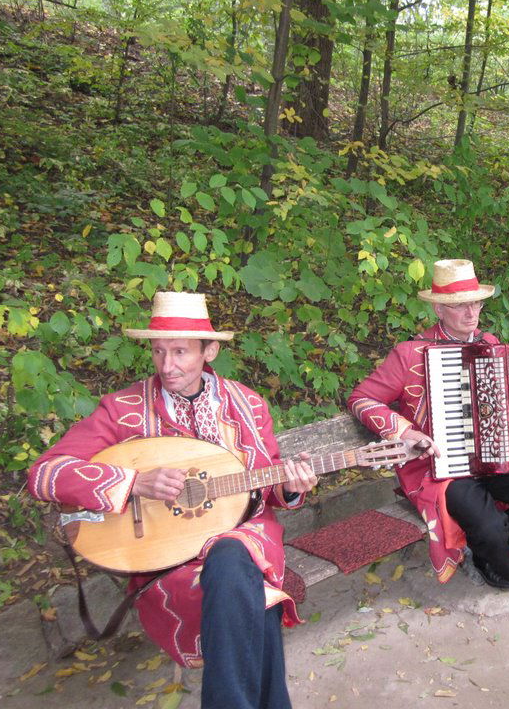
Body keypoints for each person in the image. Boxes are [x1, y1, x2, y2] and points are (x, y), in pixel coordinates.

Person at [27, 291, 318, 709]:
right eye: (159, 351)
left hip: (246, 537)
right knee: (255, 596)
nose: (167, 366)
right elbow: (45, 474)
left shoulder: (248, 405)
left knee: (233, 558)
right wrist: (132, 482)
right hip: (167, 556)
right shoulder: (124, 410)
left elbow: (266, 482)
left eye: (180, 351)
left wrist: (291, 485)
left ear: (209, 351)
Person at [347, 259, 509, 594]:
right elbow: (361, 398)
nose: (471, 313)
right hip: (439, 467)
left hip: (494, 459)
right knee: (489, 525)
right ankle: (504, 561)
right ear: (438, 309)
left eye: (476, 303)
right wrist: (405, 432)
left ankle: (486, 549)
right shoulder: (409, 354)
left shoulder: (491, 344)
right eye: (459, 306)